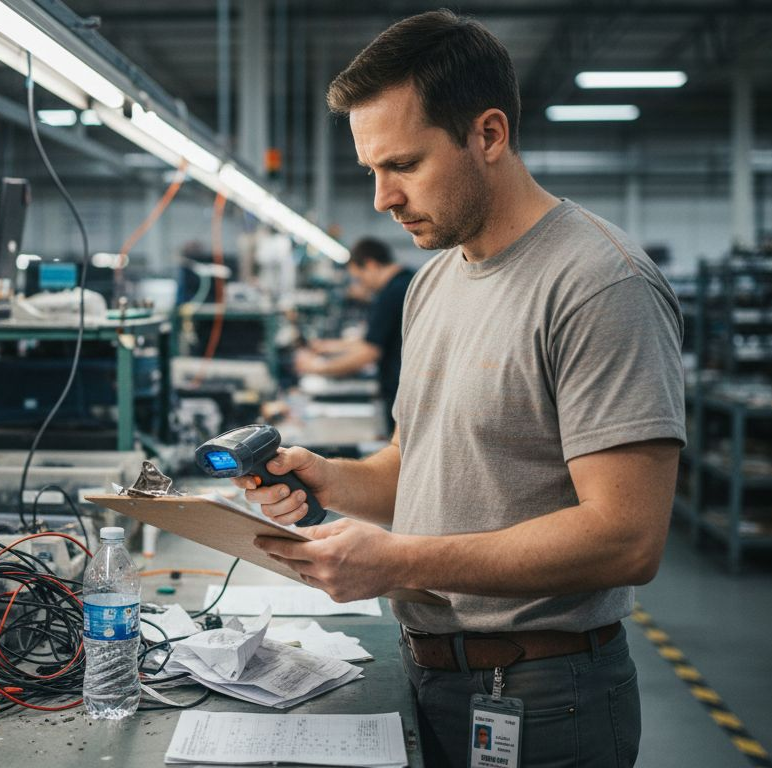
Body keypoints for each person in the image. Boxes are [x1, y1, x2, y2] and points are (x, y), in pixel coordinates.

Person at [235, 10, 684, 768]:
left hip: (546, 696)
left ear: (488, 135)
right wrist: (328, 477)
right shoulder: (433, 282)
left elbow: (628, 536)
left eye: (404, 165)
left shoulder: (600, 284)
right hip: (430, 678)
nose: (381, 198)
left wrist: (402, 561)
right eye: (371, 170)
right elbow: (421, 468)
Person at [295, 237, 414, 434]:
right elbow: (377, 338)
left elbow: (369, 352)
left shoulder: (391, 293)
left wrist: (316, 368)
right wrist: (330, 346)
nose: (361, 285)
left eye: (359, 277)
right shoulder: (408, 282)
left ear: (371, 265)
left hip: (402, 395)